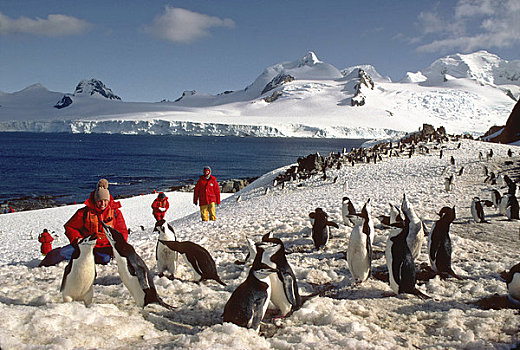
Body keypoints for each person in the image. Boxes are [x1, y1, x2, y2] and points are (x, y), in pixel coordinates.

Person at [39, 179, 128, 267]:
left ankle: (86, 259)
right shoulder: (84, 212)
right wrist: (77, 239)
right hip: (84, 245)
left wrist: (118, 246)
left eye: (105, 201)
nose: (102, 204)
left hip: (104, 247)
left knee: (105, 259)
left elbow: (122, 231)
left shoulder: (115, 213)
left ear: (108, 200)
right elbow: (69, 227)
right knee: (62, 253)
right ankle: (45, 261)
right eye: (100, 201)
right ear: (95, 200)